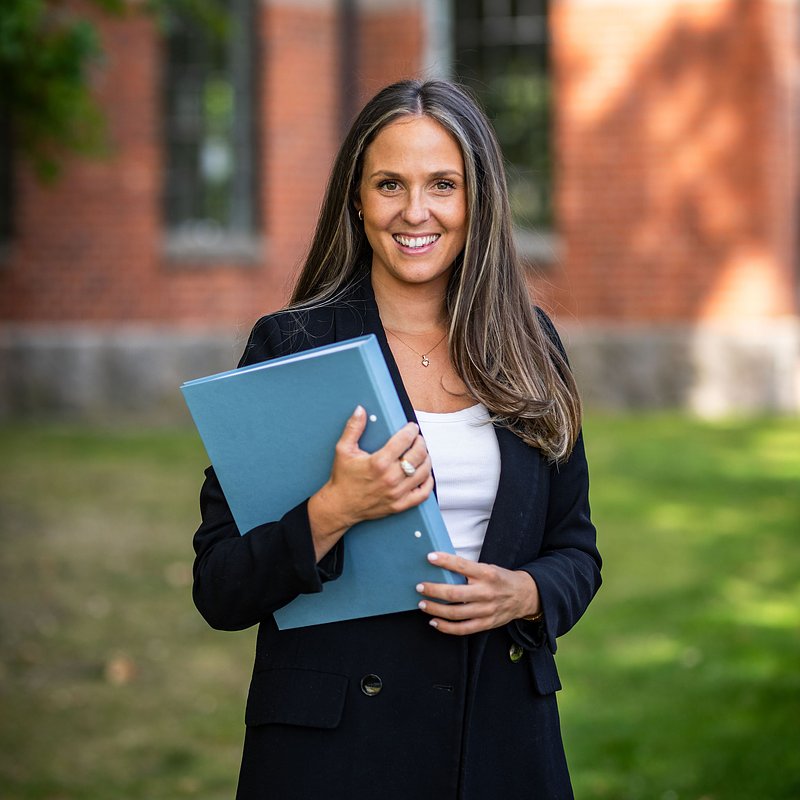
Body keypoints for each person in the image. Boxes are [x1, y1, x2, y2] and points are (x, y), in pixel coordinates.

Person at [192, 79, 601, 799]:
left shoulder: (530, 344)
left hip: (500, 739)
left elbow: (577, 551)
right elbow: (221, 586)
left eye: (443, 184)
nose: (416, 212)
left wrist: (526, 593)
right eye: (390, 184)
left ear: (478, 200)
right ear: (357, 198)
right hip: (339, 751)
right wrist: (333, 510)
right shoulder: (292, 346)